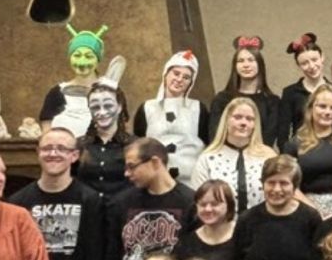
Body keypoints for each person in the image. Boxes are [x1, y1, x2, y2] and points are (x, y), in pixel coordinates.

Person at [9, 127, 109, 260]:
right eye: (47, 148)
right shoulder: (18, 202)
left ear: (74, 156)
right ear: (38, 153)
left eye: (61, 148)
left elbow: (95, 258)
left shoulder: (90, 200)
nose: (53, 154)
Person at [232, 156, 325, 260]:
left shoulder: (310, 219)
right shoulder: (247, 220)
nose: (276, 189)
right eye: (271, 182)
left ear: (295, 186)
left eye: (283, 183)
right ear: (263, 184)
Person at [105, 138, 195, 260]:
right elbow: (111, 257)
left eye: (132, 166)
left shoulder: (190, 203)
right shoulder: (121, 203)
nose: (126, 173)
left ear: (155, 162)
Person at [283, 83, 332, 218]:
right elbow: (287, 184)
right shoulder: (294, 145)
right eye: (322, 106)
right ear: (311, 108)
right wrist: (314, 211)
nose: (328, 112)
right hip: (306, 210)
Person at [134, 51, 209, 188]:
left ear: (191, 82)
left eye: (186, 77)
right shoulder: (147, 108)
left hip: (192, 183)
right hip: (155, 182)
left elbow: (208, 144)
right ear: (166, 74)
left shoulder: (198, 109)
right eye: (176, 73)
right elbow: (139, 145)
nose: (179, 79)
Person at [191, 96, 276, 215]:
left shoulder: (268, 157)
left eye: (249, 119)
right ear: (226, 120)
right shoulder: (208, 158)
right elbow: (199, 200)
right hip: (220, 223)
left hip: (262, 222)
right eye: (237, 117)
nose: (243, 123)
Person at [209, 37, 284, 150]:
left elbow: (268, 138)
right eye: (241, 61)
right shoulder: (221, 99)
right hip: (226, 156)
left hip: (259, 155)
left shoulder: (272, 101)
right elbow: (214, 135)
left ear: (260, 64)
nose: (246, 65)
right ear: (235, 66)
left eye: (251, 60)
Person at [39, 24, 111, 137]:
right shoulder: (56, 93)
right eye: (77, 55)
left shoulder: (111, 91)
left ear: (98, 59)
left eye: (89, 56)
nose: (82, 62)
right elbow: (47, 135)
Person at [174, 180, 241, 260]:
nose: (208, 209)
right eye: (203, 204)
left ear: (229, 205)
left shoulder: (243, 236)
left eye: (215, 204)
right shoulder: (187, 242)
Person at [78, 76, 134, 200]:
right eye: (95, 107)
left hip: (123, 210)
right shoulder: (79, 145)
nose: (102, 112)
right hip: (88, 210)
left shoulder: (135, 145)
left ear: (119, 107)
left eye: (108, 105)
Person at [277, 34, 327, 145]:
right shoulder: (290, 93)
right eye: (305, 63)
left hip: (330, 150)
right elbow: (283, 133)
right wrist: (287, 153)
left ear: (322, 57)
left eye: (314, 59)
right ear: (298, 66)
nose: (311, 66)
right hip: (300, 150)